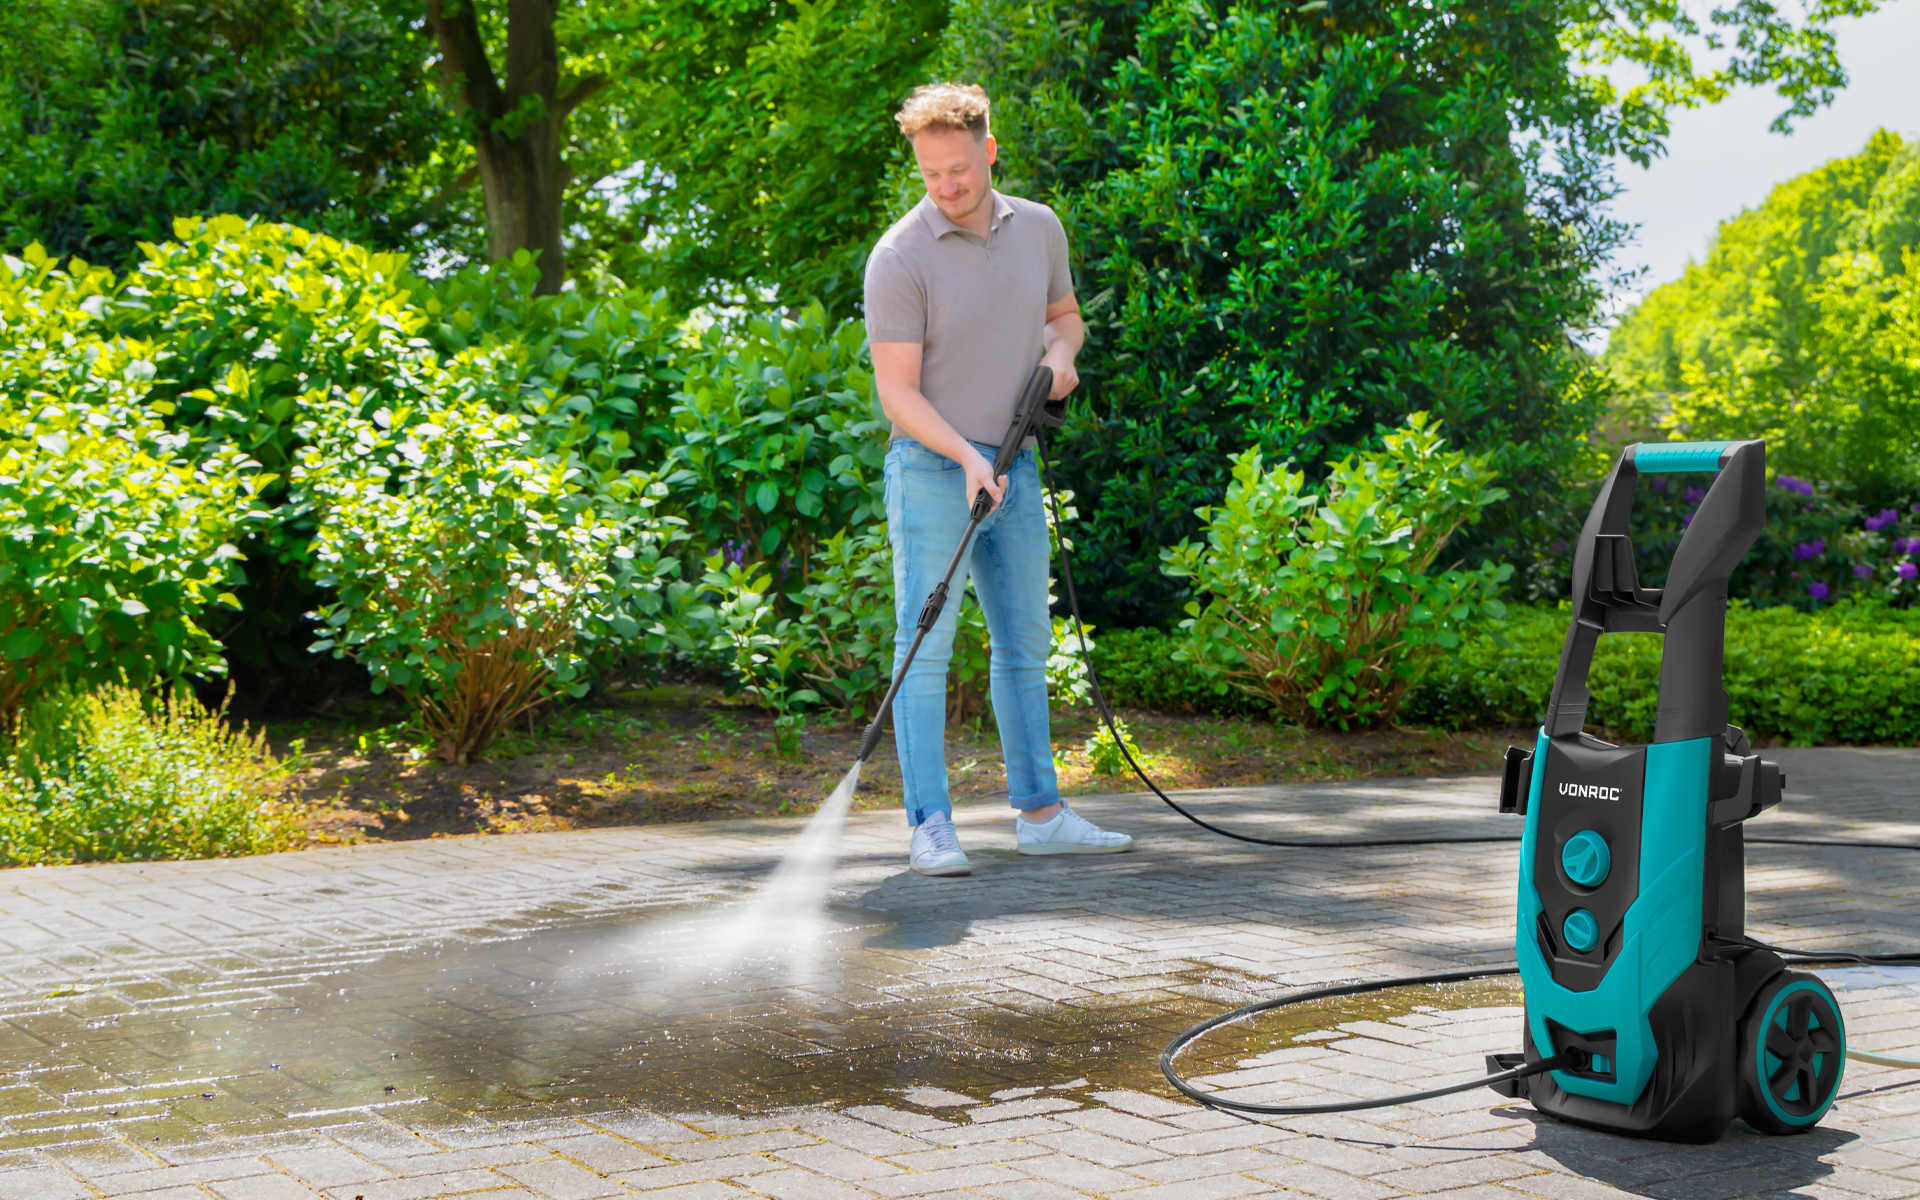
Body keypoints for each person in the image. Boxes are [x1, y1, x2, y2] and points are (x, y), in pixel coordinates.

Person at [864, 82, 1133, 877]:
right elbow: (898, 393)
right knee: (926, 646)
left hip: (1014, 462)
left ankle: (1042, 813)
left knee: (1024, 643)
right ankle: (930, 825)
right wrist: (968, 457)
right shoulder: (899, 257)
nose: (946, 187)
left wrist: (1060, 362)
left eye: (958, 170)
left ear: (988, 151)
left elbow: (1065, 320)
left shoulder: (1040, 228)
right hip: (932, 468)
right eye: (930, 174)